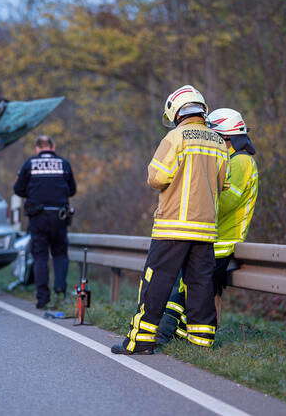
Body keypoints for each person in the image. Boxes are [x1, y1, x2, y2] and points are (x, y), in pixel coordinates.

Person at [111, 85, 229, 355]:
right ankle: (201, 342)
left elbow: (157, 178)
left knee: (157, 282)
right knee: (200, 283)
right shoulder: (219, 141)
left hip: (173, 227)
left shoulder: (175, 138)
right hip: (205, 229)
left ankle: (140, 340)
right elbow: (224, 183)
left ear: (177, 111)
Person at [156, 108, 259, 343]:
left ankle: (166, 334)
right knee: (187, 287)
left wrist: (197, 199)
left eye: (215, 137)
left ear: (226, 137)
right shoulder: (231, 160)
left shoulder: (242, 162)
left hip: (223, 241)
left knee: (189, 289)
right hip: (210, 237)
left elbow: (227, 201)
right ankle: (180, 336)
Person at [14, 135, 76, 309]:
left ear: (37, 148)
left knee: (40, 257)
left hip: (38, 217)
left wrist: (34, 192)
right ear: (53, 146)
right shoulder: (63, 164)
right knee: (60, 254)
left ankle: (42, 298)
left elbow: (18, 189)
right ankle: (60, 292)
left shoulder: (29, 164)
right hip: (59, 217)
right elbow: (72, 190)